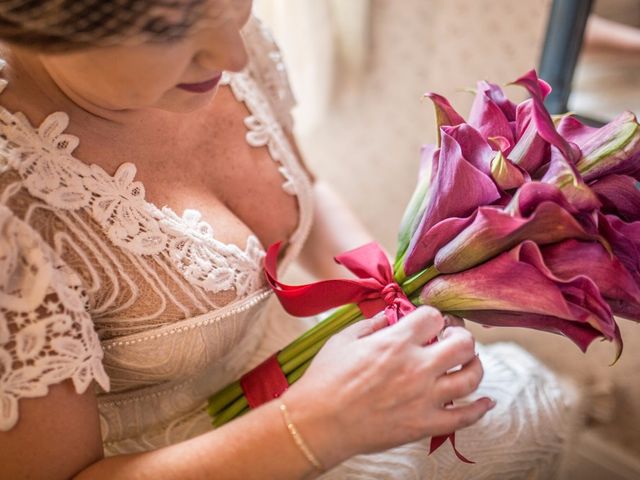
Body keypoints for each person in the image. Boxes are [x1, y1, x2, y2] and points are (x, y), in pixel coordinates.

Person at [0, 1, 576, 478]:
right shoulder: (12, 213)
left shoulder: (226, 46)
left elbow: (304, 190)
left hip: (308, 380)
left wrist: (387, 288)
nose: (234, 54)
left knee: (533, 401)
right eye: (166, 28)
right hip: (194, 458)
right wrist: (322, 421)